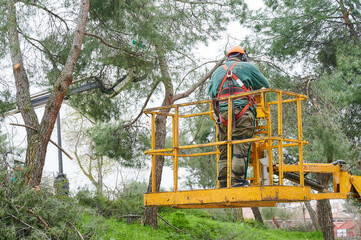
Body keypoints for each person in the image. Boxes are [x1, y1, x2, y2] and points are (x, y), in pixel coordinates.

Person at [208, 46, 270, 188]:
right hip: (243, 112)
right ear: (243, 57)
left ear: (228, 57)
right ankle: (237, 182)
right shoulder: (247, 67)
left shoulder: (217, 71)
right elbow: (265, 85)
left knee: (224, 151)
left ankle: (223, 183)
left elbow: (211, 93)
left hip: (222, 116)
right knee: (240, 148)